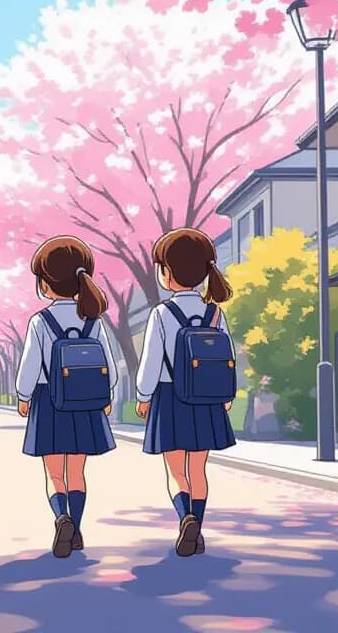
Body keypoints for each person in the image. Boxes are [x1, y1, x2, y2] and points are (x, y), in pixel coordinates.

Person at [16, 235, 125, 558]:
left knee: (54, 473)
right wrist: (107, 396)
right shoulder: (93, 320)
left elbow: (30, 365)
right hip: (85, 403)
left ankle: (60, 517)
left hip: (50, 401)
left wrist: (23, 396)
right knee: (77, 472)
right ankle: (75, 527)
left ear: (46, 285)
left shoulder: (41, 321)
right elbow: (109, 366)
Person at [135, 227, 237, 557]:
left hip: (170, 398)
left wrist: (143, 396)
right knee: (198, 470)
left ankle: (186, 518)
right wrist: (227, 395)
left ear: (167, 272)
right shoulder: (215, 313)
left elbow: (151, 361)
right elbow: (228, 357)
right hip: (207, 401)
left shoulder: (162, 314)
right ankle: (198, 525)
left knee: (176, 471)